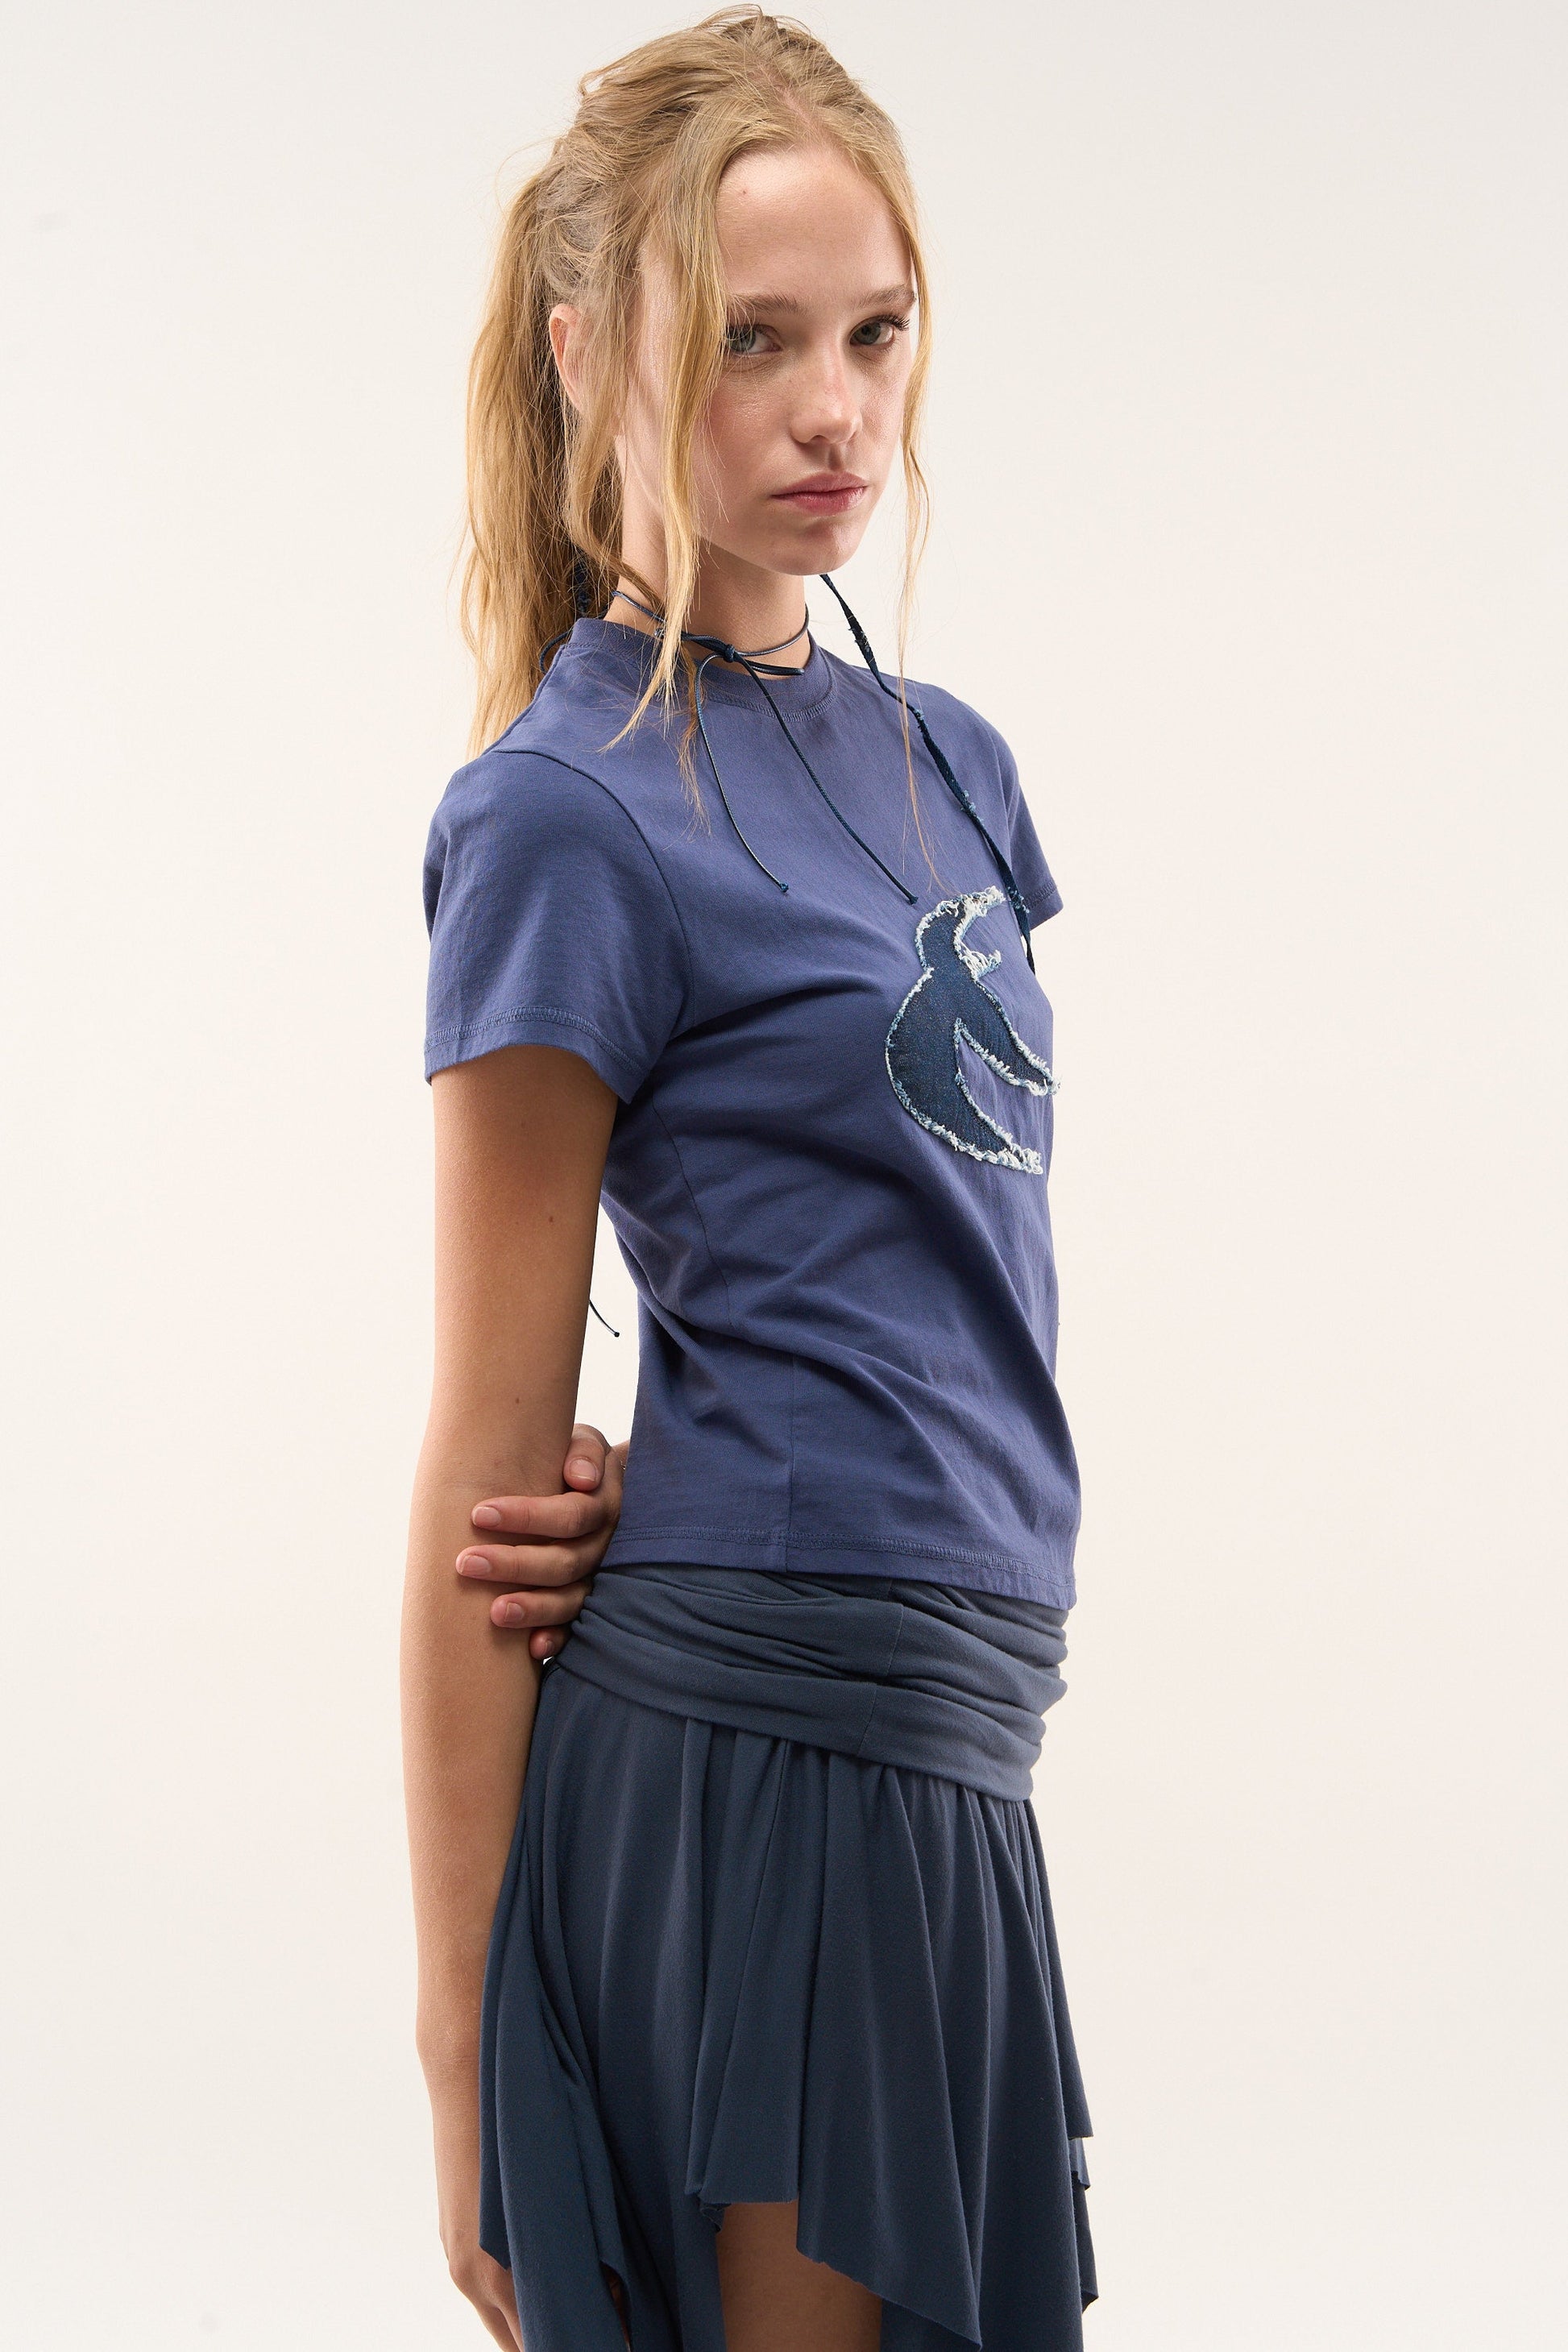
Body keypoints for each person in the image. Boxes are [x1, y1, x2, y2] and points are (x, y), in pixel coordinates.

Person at [400, 11, 1095, 2349]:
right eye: (751, 342)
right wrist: (462, 2059)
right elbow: (486, 1457)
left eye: (874, 336)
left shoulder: (949, 763)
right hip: (755, 1752)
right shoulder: (560, 814)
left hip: (957, 1738)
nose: (835, 415)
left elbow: (914, 1271)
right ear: (588, 351)